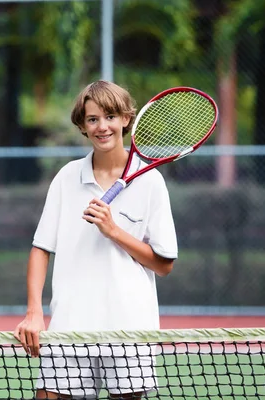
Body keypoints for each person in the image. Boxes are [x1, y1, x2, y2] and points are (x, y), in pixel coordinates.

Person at [13, 80, 178, 399]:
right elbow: (41, 249)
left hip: (130, 328)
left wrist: (113, 230)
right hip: (69, 327)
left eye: (110, 117)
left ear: (126, 119)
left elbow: (164, 264)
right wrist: (35, 312)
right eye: (93, 119)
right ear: (83, 126)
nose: (102, 126)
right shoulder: (65, 178)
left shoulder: (151, 182)